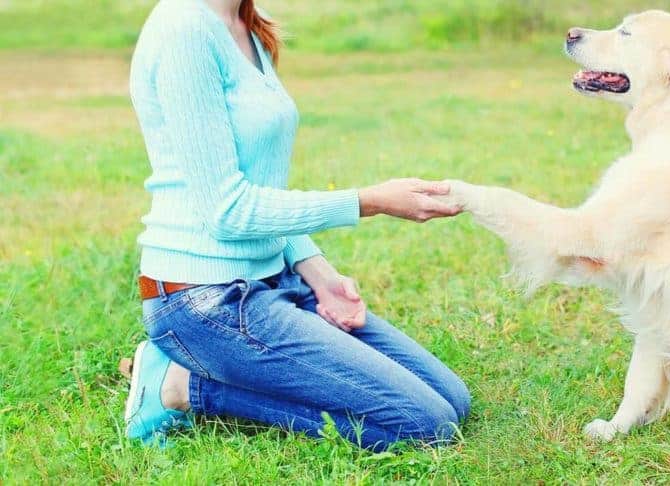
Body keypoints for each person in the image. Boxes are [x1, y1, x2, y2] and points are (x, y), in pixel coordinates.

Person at [123, 0, 468, 451]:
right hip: (206, 299)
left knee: (454, 401)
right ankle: (182, 384)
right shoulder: (184, 28)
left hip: (272, 280)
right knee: (428, 425)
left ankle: (206, 370)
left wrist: (319, 274)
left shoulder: (244, 20)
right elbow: (227, 211)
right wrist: (370, 201)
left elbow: (261, 187)